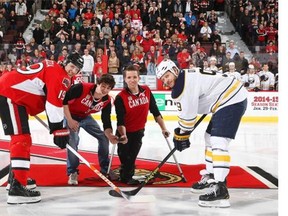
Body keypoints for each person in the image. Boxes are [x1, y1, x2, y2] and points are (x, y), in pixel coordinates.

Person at [156, 59, 247, 208]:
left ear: (174, 70)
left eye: (167, 76)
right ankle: (212, 175)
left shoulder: (184, 84)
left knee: (218, 141)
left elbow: (188, 119)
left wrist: (181, 134)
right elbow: (190, 114)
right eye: (163, 79)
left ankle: (220, 190)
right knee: (209, 137)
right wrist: (182, 133)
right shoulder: (186, 78)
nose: (165, 81)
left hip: (232, 99)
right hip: (226, 98)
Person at [0, 52, 84, 204]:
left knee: (21, 138)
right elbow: (53, 104)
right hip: (10, 94)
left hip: (12, 93)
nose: (72, 71)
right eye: (72, 66)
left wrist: (57, 128)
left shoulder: (55, 68)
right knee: (21, 138)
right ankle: (17, 188)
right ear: (65, 62)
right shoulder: (61, 76)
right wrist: (58, 129)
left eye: (76, 69)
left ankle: (16, 177)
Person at [114, 65, 170, 185]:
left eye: (134, 77)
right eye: (129, 77)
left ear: (139, 78)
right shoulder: (120, 97)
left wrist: (163, 128)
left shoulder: (146, 91)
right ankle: (126, 176)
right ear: (125, 79)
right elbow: (120, 120)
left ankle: (127, 176)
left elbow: (155, 112)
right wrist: (123, 136)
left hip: (139, 131)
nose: (132, 80)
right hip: (124, 132)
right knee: (125, 158)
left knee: (132, 157)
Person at [63, 74, 119, 185]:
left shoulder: (107, 101)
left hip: (85, 117)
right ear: (97, 83)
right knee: (73, 142)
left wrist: (110, 134)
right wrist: (69, 119)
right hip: (71, 115)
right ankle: (72, 172)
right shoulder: (81, 88)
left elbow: (106, 120)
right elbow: (63, 101)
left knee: (103, 137)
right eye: (103, 86)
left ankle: (105, 169)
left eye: (108, 88)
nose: (105, 90)